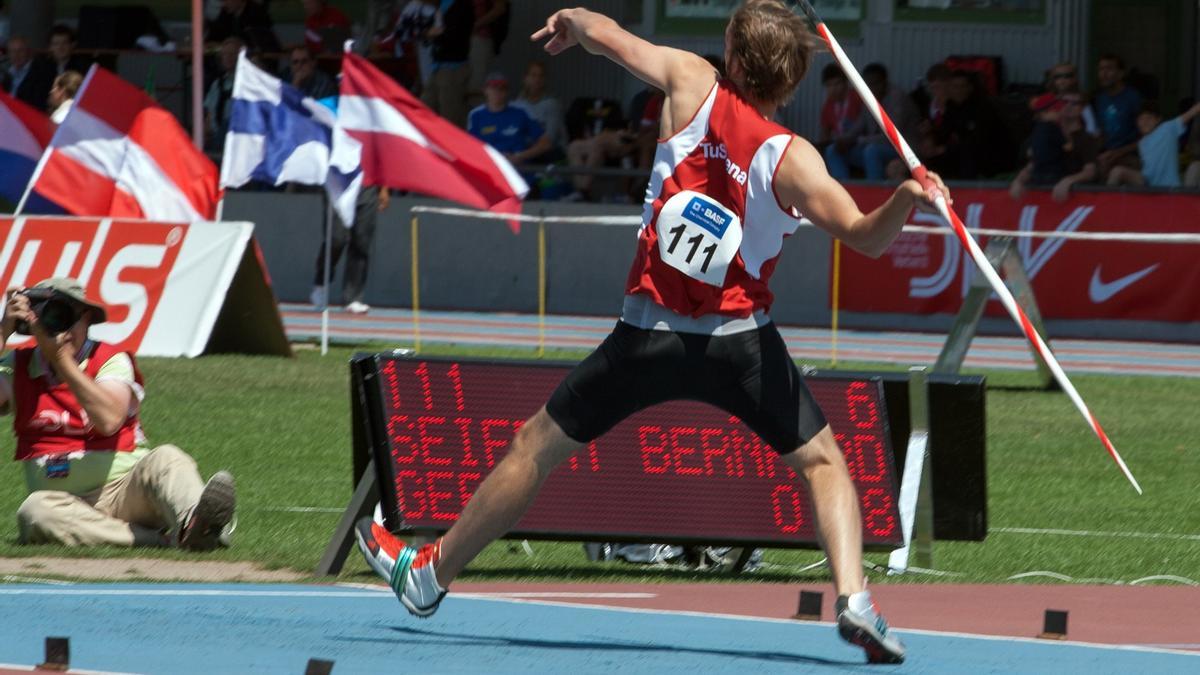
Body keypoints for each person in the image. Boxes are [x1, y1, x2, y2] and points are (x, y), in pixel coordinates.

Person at [355, 1, 951, 664]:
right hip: (740, 344)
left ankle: (430, 577)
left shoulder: (691, 81)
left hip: (647, 335)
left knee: (534, 448)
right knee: (822, 462)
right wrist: (907, 195)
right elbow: (866, 239)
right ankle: (855, 600)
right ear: (789, 80)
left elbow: (608, 38)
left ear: (732, 53)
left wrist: (574, 18)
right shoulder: (796, 160)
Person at [1, 278, 236, 550]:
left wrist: (61, 360)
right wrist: (3, 331)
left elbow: (109, 420)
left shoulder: (110, 359)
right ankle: (167, 541)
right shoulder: (20, 363)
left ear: (86, 319)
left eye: (66, 317)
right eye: (50, 318)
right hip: (63, 503)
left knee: (167, 458)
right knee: (34, 512)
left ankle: (196, 524)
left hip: (126, 490)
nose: (60, 330)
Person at [825, 62, 919, 182]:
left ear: (885, 83)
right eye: (868, 85)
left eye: (875, 84)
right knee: (833, 150)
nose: (871, 88)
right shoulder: (869, 97)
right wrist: (844, 140)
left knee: (872, 151)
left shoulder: (897, 99)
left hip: (904, 153)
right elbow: (858, 127)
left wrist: (858, 141)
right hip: (873, 148)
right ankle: (844, 192)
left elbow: (892, 137)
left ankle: (874, 195)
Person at [311, 187, 389, 314]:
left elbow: (382, 165)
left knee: (361, 241)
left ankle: (352, 298)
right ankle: (321, 282)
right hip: (339, 184)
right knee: (336, 238)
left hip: (367, 188)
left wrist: (384, 188)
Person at [1009, 93, 1098, 202]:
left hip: (1075, 199)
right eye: (1064, 102)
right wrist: (1018, 180)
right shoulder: (1046, 132)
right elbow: (1034, 163)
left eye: (1074, 103)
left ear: (1081, 109)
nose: (1068, 106)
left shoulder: (1086, 138)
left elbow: (1090, 171)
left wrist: (1068, 181)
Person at [1106, 101, 1200, 189]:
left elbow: (1193, 111)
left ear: (1158, 119)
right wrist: (1115, 155)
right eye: (1141, 119)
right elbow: (1139, 154)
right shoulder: (1142, 143)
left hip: (1170, 188)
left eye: (1149, 118)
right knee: (1117, 171)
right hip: (1148, 186)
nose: (1144, 122)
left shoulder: (1167, 129)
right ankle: (1106, 203)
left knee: (1196, 166)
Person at [468, 72, 551, 166]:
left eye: (502, 88)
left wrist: (520, 156)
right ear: (485, 90)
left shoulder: (521, 112)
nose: (497, 91)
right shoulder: (476, 115)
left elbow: (545, 143)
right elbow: (470, 148)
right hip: (489, 167)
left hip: (517, 169)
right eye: (493, 87)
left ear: (507, 92)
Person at [1092, 54, 1142, 180]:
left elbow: (1147, 136)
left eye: (1109, 69)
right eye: (1101, 69)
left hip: (1130, 154)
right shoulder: (1099, 99)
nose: (1104, 73)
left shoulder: (1133, 98)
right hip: (1105, 154)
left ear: (1121, 73)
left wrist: (1119, 152)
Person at [512, 60, 566, 160]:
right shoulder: (515, 105)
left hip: (549, 153)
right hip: (521, 150)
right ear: (525, 78)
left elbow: (549, 140)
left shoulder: (552, 104)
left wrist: (519, 157)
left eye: (541, 76)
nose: (537, 79)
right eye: (533, 75)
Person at [203, 37, 243, 151]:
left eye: (232, 54)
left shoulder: (247, 83)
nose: (228, 58)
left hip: (237, 139)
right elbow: (209, 117)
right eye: (224, 54)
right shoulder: (217, 84)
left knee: (227, 124)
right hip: (216, 138)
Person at [206, 0, 281, 54]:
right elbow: (214, 35)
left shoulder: (256, 13)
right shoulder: (226, 13)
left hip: (256, 59)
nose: (224, 4)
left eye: (226, 0)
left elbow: (260, 44)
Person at [2, 36, 54, 111]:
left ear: (28, 51)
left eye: (20, 50)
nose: (16, 55)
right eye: (12, 51)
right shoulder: (7, 74)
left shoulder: (40, 72)